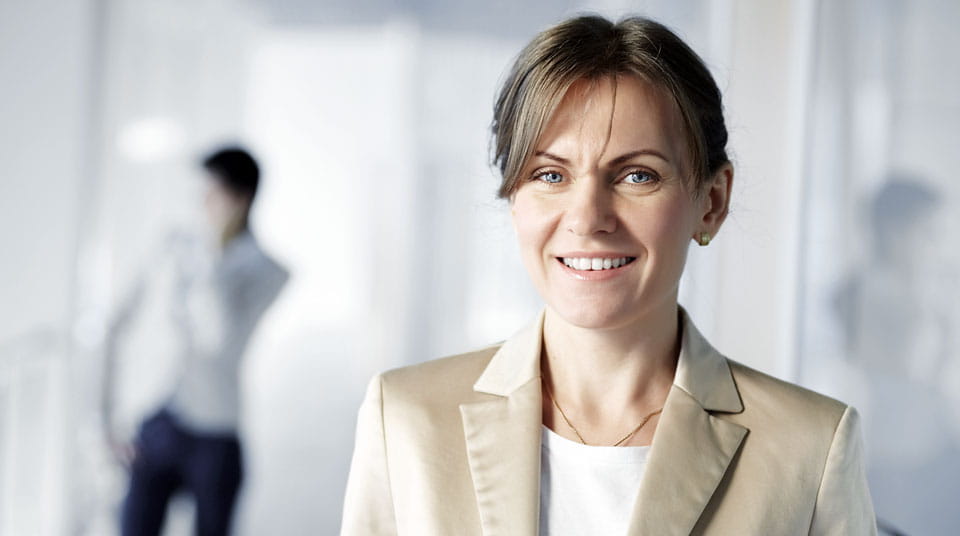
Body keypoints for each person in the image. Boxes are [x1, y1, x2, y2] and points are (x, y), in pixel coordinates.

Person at [341, 15, 876, 535]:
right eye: (550, 174)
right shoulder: (405, 420)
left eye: (637, 175)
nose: (587, 218)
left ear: (711, 202)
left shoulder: (810, 447)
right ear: (514, 200)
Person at [102, 147, 289, 536]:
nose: (202, 202)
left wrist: (213, 257)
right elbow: (117, 323)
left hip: (215, 430)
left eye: (212, 192)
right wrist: (106, 418)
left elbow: (218, 339)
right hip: (156, 419)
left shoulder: (267, 271)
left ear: (240, 199)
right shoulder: (170, 246)